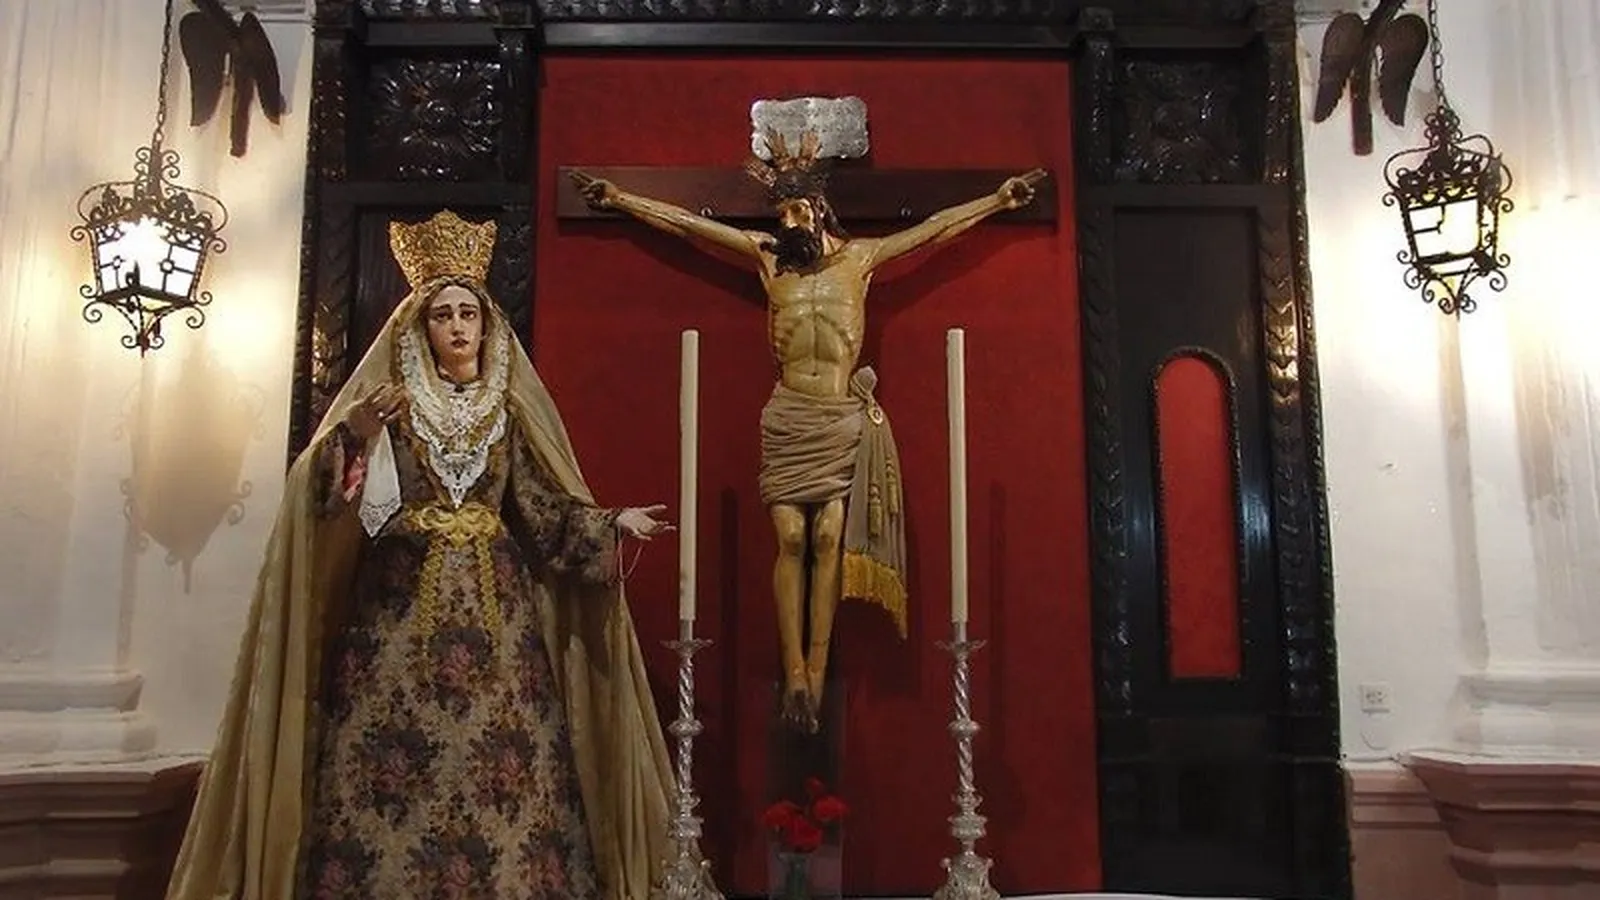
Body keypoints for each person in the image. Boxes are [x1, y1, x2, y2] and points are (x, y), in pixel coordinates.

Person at [165, 210, 690, 900]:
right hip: (398, 613)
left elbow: (542, 509)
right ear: (421, 327)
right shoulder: (389, 407)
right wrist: (354, 437)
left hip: (497, 627)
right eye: (443, 315)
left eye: (469, 313)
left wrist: (612, 522)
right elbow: (325, 500)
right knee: (391, 757)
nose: (458, 327)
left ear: (488, 325)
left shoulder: (509, 412)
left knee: (500, 759)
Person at [573, 131, 1044, 731]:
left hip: (839, 416)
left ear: (820, 208)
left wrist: (997, 200)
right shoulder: (770, 259)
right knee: (792, 538)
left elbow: (933, 230)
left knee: (827, 539)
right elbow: (690, 226)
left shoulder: (860, 259)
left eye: (797, 210)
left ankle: (814, 673)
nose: (788, 221)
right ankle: (792, 668)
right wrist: (621, 199)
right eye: (782, 213)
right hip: (790, 416)